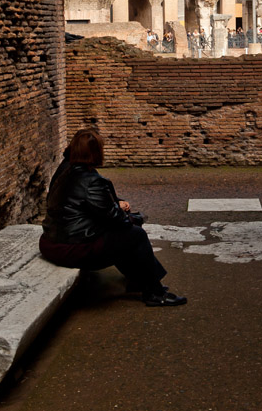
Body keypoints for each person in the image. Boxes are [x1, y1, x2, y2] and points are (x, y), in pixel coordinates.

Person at [40, 129, 187, 307]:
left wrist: (120, 211)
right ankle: (154, 293)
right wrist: (131, 217)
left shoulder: (64, 170)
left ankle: (142, 282)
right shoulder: (91, 181)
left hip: (50, 242)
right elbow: (116, 220)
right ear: (95, 153)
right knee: (134, 235)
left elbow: (83, 206)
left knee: (121, 237)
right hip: (70, 249)